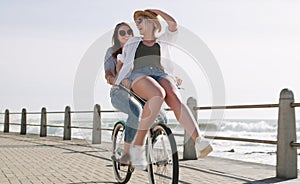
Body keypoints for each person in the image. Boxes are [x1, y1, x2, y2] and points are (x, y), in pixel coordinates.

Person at [115, 9, 212, 169]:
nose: (137, 24)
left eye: (141, 20)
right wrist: (122, 78)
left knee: (174, 96)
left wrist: (156, 11)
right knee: (158, 94)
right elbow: (123, 62)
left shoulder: (164, 40)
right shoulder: (132, 43)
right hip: (139, 75)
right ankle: (137, 147)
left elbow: (173, 24)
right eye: (136, 21)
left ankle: (199, 140)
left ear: (151, 21)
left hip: (160, 74)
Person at [104, 22, 140, 164]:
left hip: (138, 91)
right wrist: (119, 80)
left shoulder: (138, 49)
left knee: (161, 118)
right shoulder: (112, 52)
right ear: (117, 36)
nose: (127, 35)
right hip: (119, 92)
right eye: (122, 33)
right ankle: (126, 154)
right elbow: (108, 75)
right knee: (135, 112)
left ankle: (142, 148)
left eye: (129, 32)